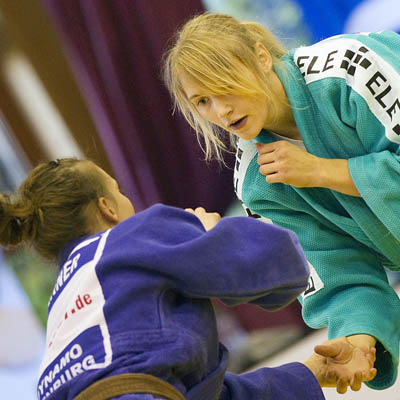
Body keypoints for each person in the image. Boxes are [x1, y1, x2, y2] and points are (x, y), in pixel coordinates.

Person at [162, 11, 400, 393]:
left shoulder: (350, 68)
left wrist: (323, 171)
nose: (220, 111)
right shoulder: (257, 181)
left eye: (225, 86)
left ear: (261, 56)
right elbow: (337, 273)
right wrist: (358, 340)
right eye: (203, 100)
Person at [1, 157, 367, 400]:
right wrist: (212, 233)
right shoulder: (136, 234)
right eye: (120, 191)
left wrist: (308, 374)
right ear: (107, 208)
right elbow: (280, 266)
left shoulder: (60, 308)